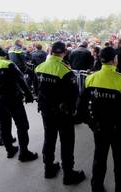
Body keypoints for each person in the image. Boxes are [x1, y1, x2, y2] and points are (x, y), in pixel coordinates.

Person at [78, 47, 121, 192]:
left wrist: (91, 123)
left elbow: (81, 106)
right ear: (113, 61)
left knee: (99, 158)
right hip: (119, 129)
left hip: (99, 128)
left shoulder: (90, 79)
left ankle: (96, 187)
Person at [35, 41, 85, 185]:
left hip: (46, 111)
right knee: (67, 142)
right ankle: (68, 174)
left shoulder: (39, 67)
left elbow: (37, 88)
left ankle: (48, 168)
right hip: (63, 114)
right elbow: (75, 94)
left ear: (50, 51)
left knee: (49, 138)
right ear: (64, 52)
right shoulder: (65, 71)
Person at [0, 47, 38, 161]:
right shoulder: (8, 64)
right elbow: (21, 80)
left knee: (4, 125)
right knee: (22, 125)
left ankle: (10, 150)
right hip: (12, 98)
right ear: (4, 55)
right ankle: (24, 153)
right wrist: (29, 95)